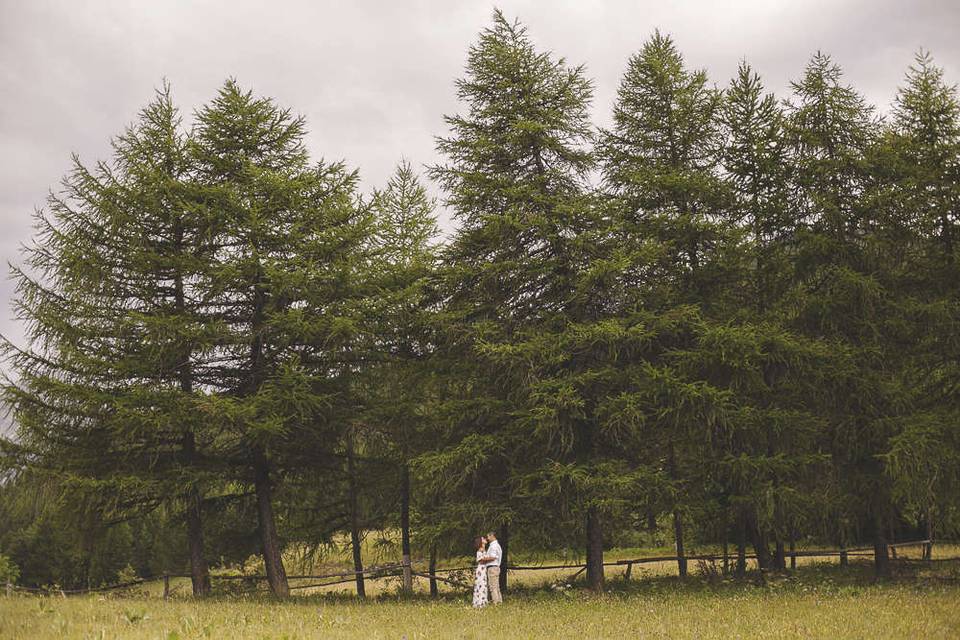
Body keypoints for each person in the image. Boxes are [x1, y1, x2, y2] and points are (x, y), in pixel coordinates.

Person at [479, 530, 503, 604]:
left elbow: (493, 557)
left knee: (493, 587)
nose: (487, 538)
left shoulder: (493, 546)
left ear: (492, 536)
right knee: (496, 586)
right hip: (496, 567)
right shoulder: (496, 545)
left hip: (492, 567)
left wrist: (483, 559)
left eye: (488, 536)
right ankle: (499, 601)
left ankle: (496, 602)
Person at [472, 536, 488, 608]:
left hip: (484, 569)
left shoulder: (484, 550)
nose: (485, 539)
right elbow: (480, 560)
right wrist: (490, 558)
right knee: (481, 584)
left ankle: (482, 601)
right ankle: (479, 602)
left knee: (483, 584)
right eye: (483, 539)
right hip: (481, 569)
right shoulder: (480, 551)